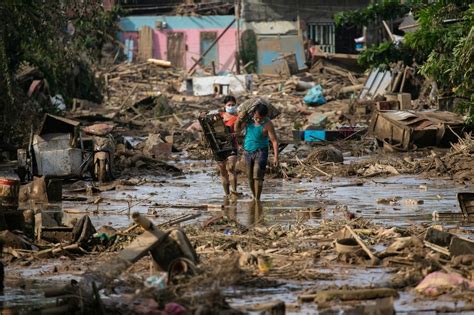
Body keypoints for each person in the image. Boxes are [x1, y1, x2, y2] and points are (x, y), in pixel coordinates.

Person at [235, 101, 278, 201]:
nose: (258, 119)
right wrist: (238, 119)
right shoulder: (248, 120)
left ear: (265, 116)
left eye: (260, 118)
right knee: (250, 177)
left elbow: (274, 141)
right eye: (257, 117)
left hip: (261, 151)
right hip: (247, 151)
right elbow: (237, 130)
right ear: (254, 113)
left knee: (257, 174)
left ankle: (258, 199)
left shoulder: (268, 124)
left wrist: (276, 157)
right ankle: (254, 196)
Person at [217, 95, 239, 197]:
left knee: (231, 167)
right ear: (225, 106)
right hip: (218, 146)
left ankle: (234, 192)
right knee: (222, 170)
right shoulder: (219, 116)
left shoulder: (238, 118)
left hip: (232, 145)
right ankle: (227, 194)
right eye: (229, 105)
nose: (231, 106)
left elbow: (241, 130)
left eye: (233, 105)